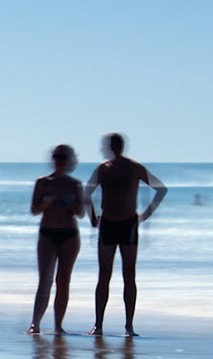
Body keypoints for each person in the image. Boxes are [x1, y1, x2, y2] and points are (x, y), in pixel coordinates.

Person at [85, 132, 168, 337]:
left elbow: (161, 189)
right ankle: (99, 325)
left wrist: (146, 215)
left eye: (109, 145)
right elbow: (87, 193)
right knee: (105, 275)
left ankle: (129, 325)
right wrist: (94, 218)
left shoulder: (133, 167)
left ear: (114, 147)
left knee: (128, 275)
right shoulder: (104, 169)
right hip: (109, 224)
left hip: (128, 224)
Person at [28, 144, 86, 334]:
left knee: (63, 280)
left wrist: (74, 206)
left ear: (70, 161)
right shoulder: (43, 183)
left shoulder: (74, 184)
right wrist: (46, 204)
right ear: (52, 159)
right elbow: (34, 210)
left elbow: (81, 213)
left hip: (69, 235)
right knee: (45, 279)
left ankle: (58, 325)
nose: (60, 161)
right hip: (48, 233)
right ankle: (35, 323)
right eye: (57, 157)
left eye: (63, 157)